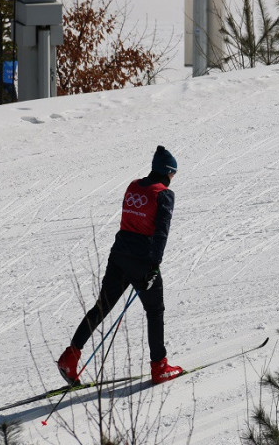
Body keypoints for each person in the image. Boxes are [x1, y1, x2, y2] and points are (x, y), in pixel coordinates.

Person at [57, 146, 183, 385]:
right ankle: (159, 367)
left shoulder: (134, 185)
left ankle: (69, 357)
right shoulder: (164, 194)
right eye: (173, 174)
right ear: (168, 172)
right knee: (154, 312)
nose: (173, 179)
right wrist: (154, 267)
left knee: (101, 307)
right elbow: (161, 233)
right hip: (142, 260)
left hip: (119, 255)